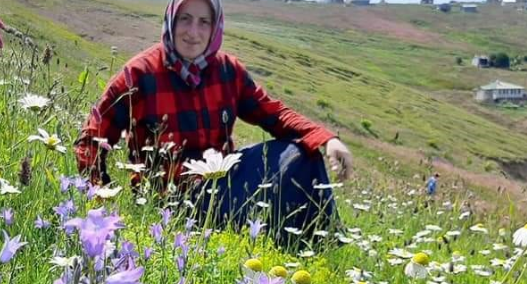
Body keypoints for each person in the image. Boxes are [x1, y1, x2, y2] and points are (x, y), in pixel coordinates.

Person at [74, 0, 353, 241]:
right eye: (185, 19)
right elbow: (93, 137)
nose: (193, 33)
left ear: (215, 27)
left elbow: (273, 114)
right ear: (171, 20)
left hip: (223, 180)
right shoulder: (139, 74)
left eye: (203, 22)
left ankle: (311, 245)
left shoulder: (228, 71)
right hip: (171, 200)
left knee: (301, 152)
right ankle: (258, 235)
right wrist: (101, 199)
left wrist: (326, 138)